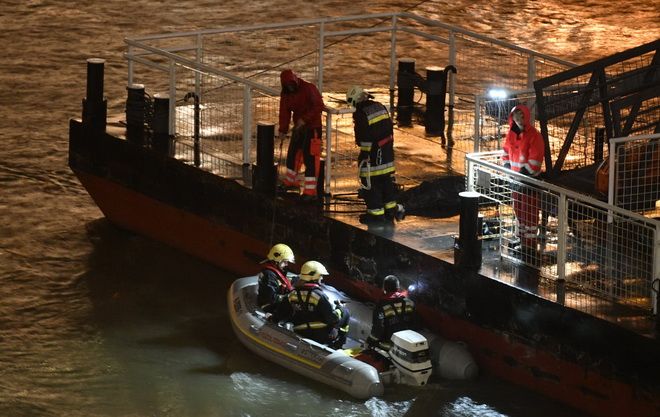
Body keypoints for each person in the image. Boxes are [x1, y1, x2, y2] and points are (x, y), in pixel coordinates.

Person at [346, 85, 404, 224]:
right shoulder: (380, 106)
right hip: (387, 151)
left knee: (370, 183)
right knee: (386, 181)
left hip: (373, 154)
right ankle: (390, 210)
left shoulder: (361, 113)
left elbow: (364, 136)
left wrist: (364, 155)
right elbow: (388, 128)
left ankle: (376, 214)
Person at [501, 104, 545, 262]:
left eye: (521, 115)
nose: (519, 118)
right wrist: (507, 167)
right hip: (516, 180)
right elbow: (506, 152)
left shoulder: (534, 136)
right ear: (512, 118)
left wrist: (521, 174)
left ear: (526, 117)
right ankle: (521, 240)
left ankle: (530, 245)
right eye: (516, 115)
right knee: (518, 211)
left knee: (530, 213)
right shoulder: (511, 134)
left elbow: (535, 159)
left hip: (529, 182)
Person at [273, 260, 348, 348]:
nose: (322, 278)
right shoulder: (319, 296)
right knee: (345, 312)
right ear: (314, 277)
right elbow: (331, 318)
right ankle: (339, 344)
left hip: (299, 330)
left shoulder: (292, 294)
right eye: (321, 276)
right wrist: (340, 308)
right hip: (319, 336)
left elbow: (281, 313)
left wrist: (272, 318)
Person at [278, 69, 325, 201]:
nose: (290, 87)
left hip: (312, 128)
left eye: (291, 85)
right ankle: (291, 181)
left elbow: (319, 106)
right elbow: (284, 112)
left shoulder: (309, 88)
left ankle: (310, 191)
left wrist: (304, 119)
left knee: (310, 159)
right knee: (293, 154)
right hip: (299, 128)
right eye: (287, 86)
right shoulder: (286, 94)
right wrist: (283, 129)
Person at [367, 275, 418, 351]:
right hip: (407, 346)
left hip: (388, 346)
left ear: (384, 288)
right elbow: (415, 323)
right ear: (398, 288)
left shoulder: (381, 306)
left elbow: (378, 328)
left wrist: (370, 341)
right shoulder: (410, 303)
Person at [257, 243, 295, 313]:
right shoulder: (269, 275)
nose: (287, 264)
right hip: (269, 306)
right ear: (276, 261)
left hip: (274, 302)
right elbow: (270, 298)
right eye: (285, 262)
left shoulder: (273, 272)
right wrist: (289, 297)